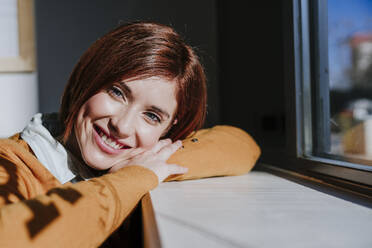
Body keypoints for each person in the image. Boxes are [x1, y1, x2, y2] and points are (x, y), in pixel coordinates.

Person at [0, 21, 261, 247]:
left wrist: (158, 161)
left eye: (152, 116)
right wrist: (133, 178)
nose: (122, 126)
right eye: (117, 92)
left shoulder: (143, 155)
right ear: (87, 80)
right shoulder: (11, 162)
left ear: (168, 129)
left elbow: (241, 145)